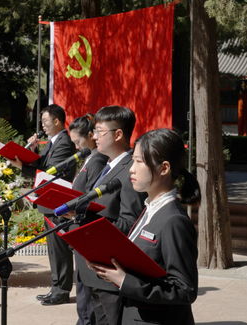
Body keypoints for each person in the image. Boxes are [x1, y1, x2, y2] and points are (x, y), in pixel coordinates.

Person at [88, 128, 200, 325]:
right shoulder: (149, 209)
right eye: (133, 160)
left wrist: (124, 281)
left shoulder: (174, 220)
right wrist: (110, 266)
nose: (131, 169)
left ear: (164, 168)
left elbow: (185, 290)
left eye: (139, 161)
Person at [69, 105, 146, 325]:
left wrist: (84, 217)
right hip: (93, 269)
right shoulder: (107, 166)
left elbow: (130, 223)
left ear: (118, 134)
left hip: (111, 273)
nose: (93, 136)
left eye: (99, 131)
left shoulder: (130, 169)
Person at [9, 104, 76, 305]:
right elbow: (42, 164)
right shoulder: (53, 141)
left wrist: (23, 168)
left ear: (57, 121)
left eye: (46, 122)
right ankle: (56, 287)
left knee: (59, 249)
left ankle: (62, 291)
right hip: (48, 202)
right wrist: (31, 150)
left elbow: (50, 173)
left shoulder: (63, 142)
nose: (43, 126)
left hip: (57, 201)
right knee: (53, 249)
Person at [68, 114, 108, 325]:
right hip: (79, 224)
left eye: (78, 142)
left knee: (86, 285)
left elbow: (92, 196)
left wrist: (76, 209)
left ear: (91, 136)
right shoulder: (89, 159)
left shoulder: (97, 161)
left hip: (86, 226)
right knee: (82, 282)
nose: (76, 147)